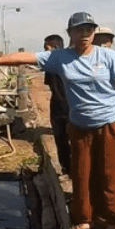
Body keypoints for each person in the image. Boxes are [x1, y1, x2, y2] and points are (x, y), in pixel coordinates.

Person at [0, 12, 115, 229]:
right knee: (82, 173)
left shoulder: (107, 56)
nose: (84, 34)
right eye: (79, 30)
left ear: (94, 33)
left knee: (112, 174)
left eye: (89, 29)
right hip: (80, 126)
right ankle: (85, 218)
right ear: (70, 33)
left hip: (111, 123)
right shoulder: (60, 57)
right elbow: (26, 57)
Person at [43, 34, 71, 175]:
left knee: (73, 141)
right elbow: (50, 85)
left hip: (71, 107)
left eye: (51, 47)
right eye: (46, 48)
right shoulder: (50, 65)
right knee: (60, 140)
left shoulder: (70, 62)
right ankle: (66, 170)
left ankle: (74, 171)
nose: (48, 51)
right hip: (57, 107)